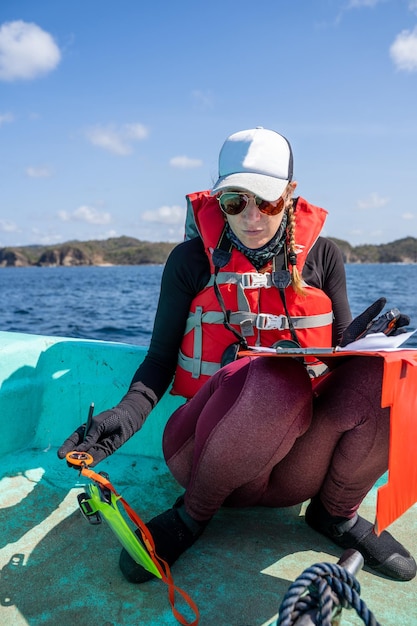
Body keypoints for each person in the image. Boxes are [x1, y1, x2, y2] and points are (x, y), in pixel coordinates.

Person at [58, 127, 416, 583]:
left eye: (266, 202)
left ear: (290, 194)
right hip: (206, 452)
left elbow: (341, 359)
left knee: (394, 374)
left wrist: (364, 347)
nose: (250, 217)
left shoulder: (325, 257)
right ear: (218, 198)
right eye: (234, 202)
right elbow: (160, 360)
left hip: (294, 469)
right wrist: (123, 418)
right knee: (275, 382)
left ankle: (335, 513)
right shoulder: (189, 262)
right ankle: (192, 515)